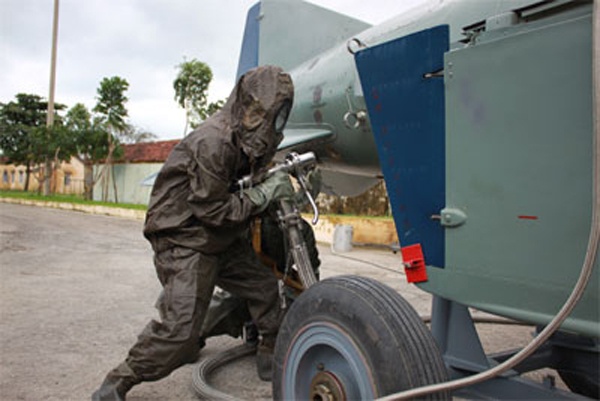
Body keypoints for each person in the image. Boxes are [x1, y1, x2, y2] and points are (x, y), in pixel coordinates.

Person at [92, 65, 295, 401]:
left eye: (275, 116)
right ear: (245, 105)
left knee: (264, 288)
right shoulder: (212, 142)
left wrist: (276, 182)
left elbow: (246, 183)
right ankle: (119, 381)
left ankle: (270, 352)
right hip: (184, 238)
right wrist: (261, 196)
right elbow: (213, 211)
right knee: (181, 332)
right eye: (260, 113)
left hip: (220, 237)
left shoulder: (255, 139)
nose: (267, 122)